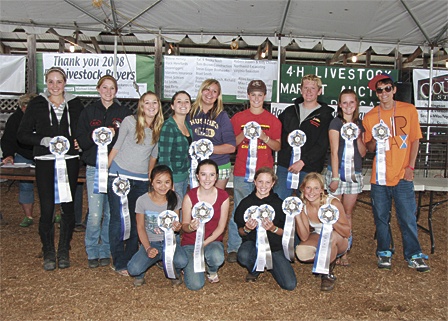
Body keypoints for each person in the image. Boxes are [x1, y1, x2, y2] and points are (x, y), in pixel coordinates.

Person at [17, 66, 84, 270]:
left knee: (67, 206)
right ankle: (48, 250)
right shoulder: (37, 104)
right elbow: (22, 134)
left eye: (59, 81)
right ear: (46, 83)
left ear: (65, 83)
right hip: (45, 161)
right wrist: (43, 140)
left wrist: (79, 142)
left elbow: (82, 129)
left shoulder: (75, 104)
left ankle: (64, 249)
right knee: (46, 208)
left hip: (69, 161)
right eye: (51, 81)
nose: (55, 86)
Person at [363, 73, 429, 272]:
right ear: (376, 93)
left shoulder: (408, 110)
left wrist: (410, 168)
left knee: (407, 216)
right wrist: (374, 139)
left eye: (387, 89)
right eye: (380, 90)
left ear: (394, 90)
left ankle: (414, 254)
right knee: (381, 216)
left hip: (402, 175)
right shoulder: (370, 116)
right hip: (380, 176)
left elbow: (415, 140)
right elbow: (369, 148)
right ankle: (384, 251)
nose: (384, 93)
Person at [76, 75, 132, 268]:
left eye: (112, 88)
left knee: (111, 213)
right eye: (105, 88)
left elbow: (129, 139)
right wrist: (97, 135)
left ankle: (106, 249)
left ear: (116, 91)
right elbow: (80, 140)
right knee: (94, 213)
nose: (108, 92)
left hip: (116, 169)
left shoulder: (124, 113)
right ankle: (92, 249)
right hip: (94, 168)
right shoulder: (89, 111)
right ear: (98, 89)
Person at [107, 91, 163, 276]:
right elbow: (116, 147)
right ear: (141, 105)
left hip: (140, 180)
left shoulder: (159, 126)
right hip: (119, 176)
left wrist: (149, 176)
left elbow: (154, 155)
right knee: (118, 219)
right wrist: (105, 171)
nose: (151, 106)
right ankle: (118, 261)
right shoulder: (129, 122)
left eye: (154, 102)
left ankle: (131, 257)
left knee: (135, 219)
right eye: (147, 103)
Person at [229, 80, 281, 262]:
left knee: (264, 208)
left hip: (264, 174)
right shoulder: (237, 119)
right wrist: (246, 133)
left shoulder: (272, 120)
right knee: (239, 207)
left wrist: (263, 136)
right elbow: (231, 144)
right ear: (248, 96)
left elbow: (277, 146)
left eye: (260, 95)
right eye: (253, 94)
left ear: (264, 96)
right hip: (242, 171)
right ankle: (234, 247)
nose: (256, 98)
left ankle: (261, 242)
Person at [234, 167, 297, 290]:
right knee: (243, 255)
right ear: (254, 182)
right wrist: (247, 228)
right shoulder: (245, 203)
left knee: (289, 285)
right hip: (253, 245)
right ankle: (256, 269)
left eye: (268, 182)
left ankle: (271, 265)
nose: (263, 185)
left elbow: (287, 233)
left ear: (273, 183)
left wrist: (273, 228)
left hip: (274, 248)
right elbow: (241, 231)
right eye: (260, 181)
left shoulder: (280, 204)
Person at [127, 165, 188, 287]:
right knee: (133, 269)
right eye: (159, 182)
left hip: (169, 242)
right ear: (152, 182)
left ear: (171, 183)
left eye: (167, 182)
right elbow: (140, 227)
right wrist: (148, 247)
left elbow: (176, 224)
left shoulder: (175, 198)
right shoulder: (142, 200)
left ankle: (173, 270)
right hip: (151, 242)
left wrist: (177, 227)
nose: (163, 186)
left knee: (182, 261)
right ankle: (143, 270)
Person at [275, 74, 334, 199]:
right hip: (286, 167)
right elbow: (279, 134)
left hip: (309, 168)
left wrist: (303, 161)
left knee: (308, 204)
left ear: (319, 91)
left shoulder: (326, 116)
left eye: (313, 88)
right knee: (280, 203)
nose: (308, 91)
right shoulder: (289, 111)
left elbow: (322, 145)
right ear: (300, 90)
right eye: (305, 88)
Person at [326, 89, 366, 266]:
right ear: (339, 105)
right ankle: (332, 249)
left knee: (348, 213)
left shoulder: (360, 124)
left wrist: (358, 137)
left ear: (356, 104)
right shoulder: (335, 123)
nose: (348, 106)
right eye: (344, 102)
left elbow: (363, 152)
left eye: (351, 102)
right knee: (335, 212)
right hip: (337, 173)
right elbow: (334, 152)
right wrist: (335, 178)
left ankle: (345, 251)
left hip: (354, 173)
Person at [295, 172, 350, 291]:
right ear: (303, 188)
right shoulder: (303, 205)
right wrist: (297, 215)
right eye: (308, 188)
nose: (311, 192)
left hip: (339, 237)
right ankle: (326, 259)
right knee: (302, 252)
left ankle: (327, 273)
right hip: (319, 234)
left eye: (316, 188)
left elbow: (347, 232)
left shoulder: (333, 203)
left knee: (331, 237)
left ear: (322, 190)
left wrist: (330, 220)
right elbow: (304, 237)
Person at [181, 159, 230, 290]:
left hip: (212, 241)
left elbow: (221, 228)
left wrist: (203, 244)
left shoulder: (224, 196)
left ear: (217, 177)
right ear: (197, 176)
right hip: (190, 243)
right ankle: (187, 265)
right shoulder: (189, 197)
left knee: (217, 257)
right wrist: (190, 227)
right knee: (195, 285)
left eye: (212, 174)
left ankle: (211, 270)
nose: (207, 179)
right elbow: (184, 226)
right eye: (203, 174)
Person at [189, 79, 236, 190]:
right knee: (196, 201)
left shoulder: (222, 116)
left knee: (216, 201)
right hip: (195, 166)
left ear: (218, 96)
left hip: (219, 165)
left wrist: (205, 149)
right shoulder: (190, 113)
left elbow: (231, 147)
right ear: (201, 91)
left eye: (214, 91)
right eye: (207, 89)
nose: (210, 94)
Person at [1, 93, 37, 227]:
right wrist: (8, 155)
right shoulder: (14, 119)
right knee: (25, 186)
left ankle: (54, 215)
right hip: (23, 155)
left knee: (51, 185)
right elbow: (7, 140)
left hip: (43, 154)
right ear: (23, 107)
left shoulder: (44, 118)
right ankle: (28, 216)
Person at [158, 91, 193, 201]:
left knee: (182, 208)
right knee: (174, 210)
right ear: (172, 106)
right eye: (179, 101)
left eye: (186, 101)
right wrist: (168, 182)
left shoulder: (187, 125)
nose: (183, 104)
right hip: (174, 178)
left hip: (184, 176)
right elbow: (164, 157)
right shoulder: (169, 126)